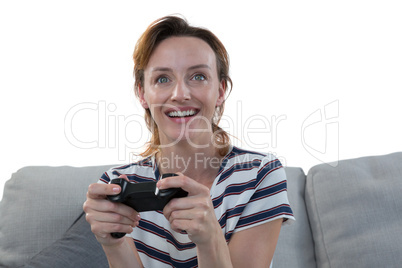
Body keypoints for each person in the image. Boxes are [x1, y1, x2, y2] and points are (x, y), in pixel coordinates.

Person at [83, 15, 294, 268]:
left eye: (198, 77)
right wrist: (113, 243)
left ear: (220, 90)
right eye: (162, 79)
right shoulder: (116, 184)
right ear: (142, 93)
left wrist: (209, 238)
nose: (180, 94)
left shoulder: (260, 174)